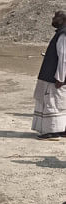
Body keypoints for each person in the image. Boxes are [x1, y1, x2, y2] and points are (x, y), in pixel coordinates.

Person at [32, 11, 66, 140]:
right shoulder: (61, 33)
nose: (53, 19)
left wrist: (60, 78)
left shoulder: (63, 35)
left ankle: (52, 132)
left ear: (63, 19)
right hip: (55, 76)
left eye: (56, 17)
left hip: (54, 78)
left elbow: (63, 58)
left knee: (53, 102)